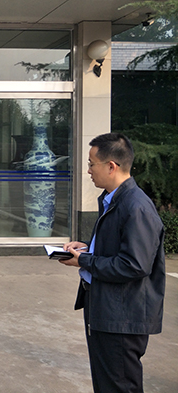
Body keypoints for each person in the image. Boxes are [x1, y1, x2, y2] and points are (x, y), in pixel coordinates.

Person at [60, 132, 165, 393]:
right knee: (106, 383)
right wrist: (88, 247)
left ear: (111, 166)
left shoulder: (136, 207)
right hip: (105, 309)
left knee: (119, 385)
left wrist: (85, 261)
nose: (88, 171)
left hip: (122, 317)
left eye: (91, 164)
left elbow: (134, 265)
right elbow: (119, 247)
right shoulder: (113, 200)